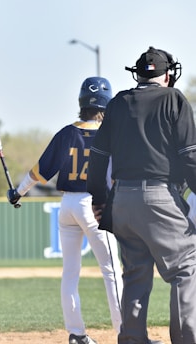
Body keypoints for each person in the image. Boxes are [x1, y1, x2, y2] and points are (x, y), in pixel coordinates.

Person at [87, 46, 196, 344]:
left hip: (122, 198)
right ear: (168, 74)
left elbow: (97, 157)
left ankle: (132, 339)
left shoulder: (119, 102)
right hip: (159, 197)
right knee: (185, 268)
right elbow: (189, 158)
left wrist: (99, 200)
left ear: (138, 75)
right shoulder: (173, 99)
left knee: (135, 274)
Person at [7, 77, 123, 344]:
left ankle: (77, 334)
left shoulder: (66, 133)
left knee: (70, 271)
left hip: (68, 205)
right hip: (95, 205)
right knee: (111, 271)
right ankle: (125, 333)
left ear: (81, 102)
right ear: (107, 105)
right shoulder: (111, 135)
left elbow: (40, 171)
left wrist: (18, 192)